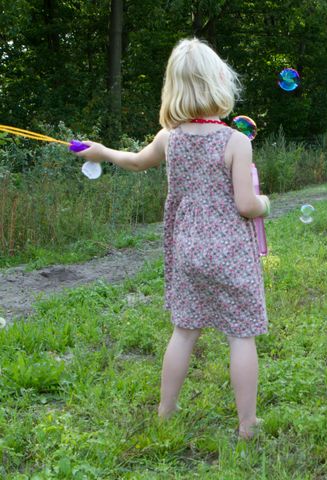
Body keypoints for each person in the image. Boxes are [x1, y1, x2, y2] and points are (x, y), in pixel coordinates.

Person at [74, 38, 269, 439]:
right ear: (219, 83)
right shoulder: (236, 141)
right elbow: (246, 205)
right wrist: (265, 203)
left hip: (186, 248)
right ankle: (247, 423)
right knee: (241, 334)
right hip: (229, 251)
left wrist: (100, 151)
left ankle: (166, 410)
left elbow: (134, 161)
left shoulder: (170, 138)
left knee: (184, 330)